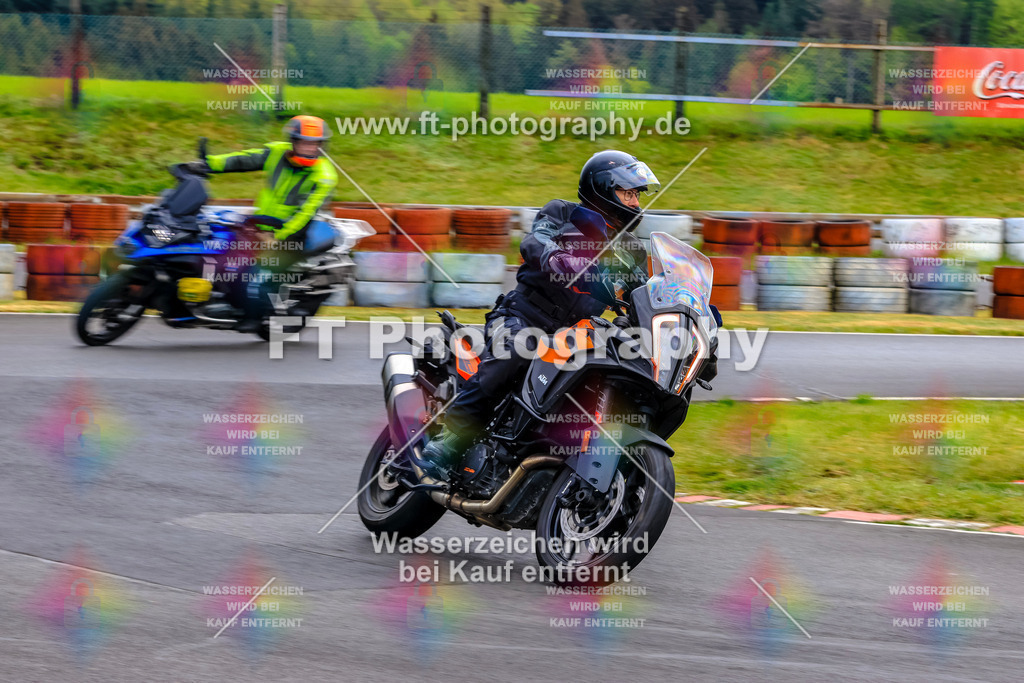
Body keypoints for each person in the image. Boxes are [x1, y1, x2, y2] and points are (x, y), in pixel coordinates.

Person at [421, 150, 660, 474]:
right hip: (524, 316)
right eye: (628, 193)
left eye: (636, 195)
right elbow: (535, 241)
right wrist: (557, 258)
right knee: (516, 351)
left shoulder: (631, 250)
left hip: (573, 335)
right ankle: (448, 441)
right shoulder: (563, 213)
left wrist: (685, 315)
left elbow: (645, 295)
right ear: (603, 190)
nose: (634, 202)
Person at [182, 115, 338, 328]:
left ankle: (255, 318)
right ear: (293, 141)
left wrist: (277, 237)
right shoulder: (276, 153)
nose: (310, 148)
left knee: (256, 276)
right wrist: (208, 164)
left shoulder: (324, 176)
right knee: (223, 260)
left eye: (315, 144)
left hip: (292, 234)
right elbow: (243, 159)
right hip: (260, 224)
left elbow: (305, 213)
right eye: (304, 142)